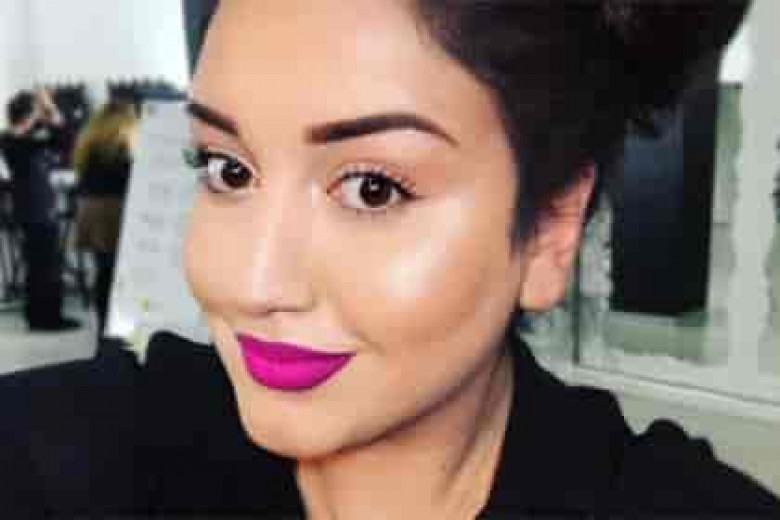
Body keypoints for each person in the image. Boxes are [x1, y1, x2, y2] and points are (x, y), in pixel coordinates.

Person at [1, 1, 779, 518]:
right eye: (227, 169)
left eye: (372, 189)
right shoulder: (112, 453)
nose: (250, 283)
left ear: (549, 227)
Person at [1, 89, 81, 331]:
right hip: (32, 212)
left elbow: (65, 138)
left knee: (47, 265)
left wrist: (51, 111)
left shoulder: (31, 139)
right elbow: (18, 138)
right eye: (35, 112)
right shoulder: (12, 139)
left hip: (42, 210)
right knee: (42, 267)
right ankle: (46, 318)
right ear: (27, 115)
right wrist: (40, 112)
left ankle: (44, 316)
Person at [72, 99, 139, 346]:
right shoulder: (121, 146)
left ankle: (104, 331)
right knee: (119, 276)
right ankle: (116, 334)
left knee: (104, 271)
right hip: (113, 211)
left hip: (90, 210)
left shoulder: (88, 143)